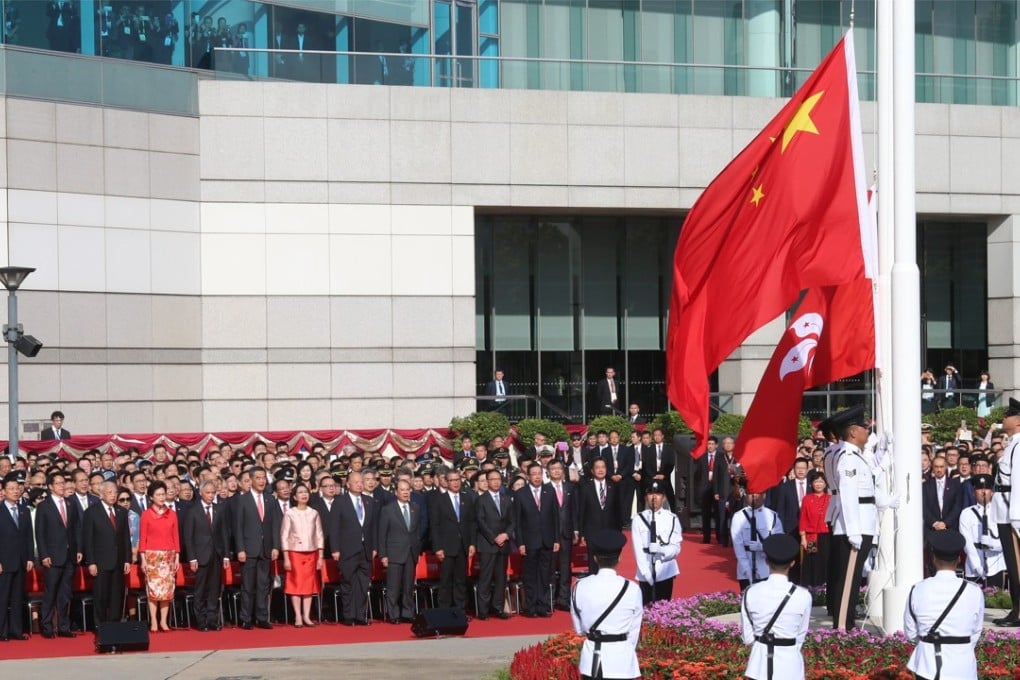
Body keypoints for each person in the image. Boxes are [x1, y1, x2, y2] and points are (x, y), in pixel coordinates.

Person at [904, 530, 984, 680]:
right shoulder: (974, 591)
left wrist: (928, 642)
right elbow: (976, 631)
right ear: (959, 558)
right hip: (963, 666)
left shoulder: (918, 589)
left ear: (933, 558)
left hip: (926, 665)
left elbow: (911, 632)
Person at [827, 405, 877, 630]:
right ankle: (842, 628)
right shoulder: (848, 458)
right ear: (853, 432)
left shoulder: (856, 456)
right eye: (864, 427)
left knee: (853, 578)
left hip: (863, 522)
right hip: (853, 526)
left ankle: (847, 624)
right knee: (847, 580)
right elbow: (848, 496)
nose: (867, 430)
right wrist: (853, 530)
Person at [570, 529, 642, 680]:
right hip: (621, 660)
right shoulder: (632, 589)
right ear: (620, 558)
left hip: (592, 662)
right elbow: (634, 630)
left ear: (595, 558)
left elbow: (579, 628)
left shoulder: (579, 586)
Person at [740, 534, 812, 680]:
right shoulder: (804, 595)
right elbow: (800, 636)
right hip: (790, 666)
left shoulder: (751, 592)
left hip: (758, 667)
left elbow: (748, 638)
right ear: (792, 563)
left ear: (766, 561)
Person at [233, 467, 281, 630]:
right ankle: (246, 618)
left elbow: (275, 525)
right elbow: (237, 527)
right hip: (248, 549)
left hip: (266, 549)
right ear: (251, 480)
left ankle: (262, 617)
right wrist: (240, 548)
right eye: (258, 478)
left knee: (263, 585)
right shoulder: (242, 500)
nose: (262, 481)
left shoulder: (270, 499)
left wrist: (276, 546)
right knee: (248, 586)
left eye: (263, 478)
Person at [34, 471, 80, 638]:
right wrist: (44, 554)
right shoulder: (44, 506)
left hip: (70, 555)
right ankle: (46, 626)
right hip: (52, 556)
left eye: (63, 483)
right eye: (59, 483)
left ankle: (63, 626)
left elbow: (76, 529)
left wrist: (79, 549)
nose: (62, 486)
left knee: (65, 593)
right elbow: (40, 533)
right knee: (50, 592)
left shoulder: (71, 504)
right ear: (50, 486)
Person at [82, 481, 132, 626]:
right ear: (101, 494)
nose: (113, 495)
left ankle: (115, 624)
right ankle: (101, 625)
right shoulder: (91, 512)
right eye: (109, 492)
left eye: (115, 492)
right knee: (101, 596)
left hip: (119, 561)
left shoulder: (122, 512)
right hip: (100, 561)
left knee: (117, 595)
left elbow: (125, 538)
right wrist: (91, 562)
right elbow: (88, 539)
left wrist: (127, 559)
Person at [514, 462, 560, 617]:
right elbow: (517, 522)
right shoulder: (521, 493)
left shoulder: (549, 490)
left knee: (545, 574)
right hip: (529, 542)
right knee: (530, 575)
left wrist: (556, 539)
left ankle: (543, 605)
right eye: (534, 474)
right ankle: (531, 606)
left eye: (539, 473)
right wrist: (520, 543)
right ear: (528, 476)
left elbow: (556, 517)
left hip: (547, 540)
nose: (537, 477)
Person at [183, 480, 230, 632]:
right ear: (201, 493)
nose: (211, 495)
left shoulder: (219, 509)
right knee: (200, 590)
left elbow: (224, 533)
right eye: (208, 493)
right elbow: (188, 537)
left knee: (214, 590)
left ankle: (212, 620)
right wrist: (192, 557)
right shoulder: (193, 510)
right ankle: (201, 621)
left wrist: (226, 555)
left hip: (216, 555)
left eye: (213, 493)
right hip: (200, 556)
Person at [332, 470, 375, 625]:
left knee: (363, 584)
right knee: (348, 583)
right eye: (356, 482)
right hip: (347, 550)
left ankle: (360, 615)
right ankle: (349, 615)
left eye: (361, 482)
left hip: (365, 549)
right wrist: (335, 549)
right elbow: (334, 527)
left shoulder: (369, 501)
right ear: (348, 484)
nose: (359, 484)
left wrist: (374, 547)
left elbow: (373, 527)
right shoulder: (340, 502)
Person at [429, 468, 476, 610]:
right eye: (452, 480)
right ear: (446, 482)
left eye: (457, 480)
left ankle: (460, 610)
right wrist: (437, 547)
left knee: (461, 580)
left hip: (463, 546)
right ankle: (444, 611)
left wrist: (472, 543)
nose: (455, 483)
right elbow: (434, 525)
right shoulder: (439, 500)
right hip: (446, 547)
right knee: (446, 581)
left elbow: (472, 522)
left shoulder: (467, 498)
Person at [139, 480, 180, 632]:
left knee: (167, 591)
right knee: (153, 590)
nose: (162, 497)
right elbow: (142, 538)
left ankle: (164, 621)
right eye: (158, 494)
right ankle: (154, 621)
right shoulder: (146, 515)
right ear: (151, 497)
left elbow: (176, 537)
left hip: (168, 556)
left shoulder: (172, 514)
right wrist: (143, 559)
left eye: (163, 494)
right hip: (152, 557)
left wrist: (177, 557)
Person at [377, 478, 420, 624]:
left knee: (408, 586)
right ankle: (393, 614)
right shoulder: (388, 509)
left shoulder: (415, 507)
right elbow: (382, 534)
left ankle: (408, 613)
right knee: (393, 587)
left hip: (411, 552)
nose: (405, 492)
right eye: (402, 490)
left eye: (407, 489)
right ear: (396, 492)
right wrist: (383, 555)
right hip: (394, 553)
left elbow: (416, 531)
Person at [631, 481, 681, 605]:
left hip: (666, 570)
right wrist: (646, 573)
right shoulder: (638, 519)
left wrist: (662, 550)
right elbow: (637, 549)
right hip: (645, 570)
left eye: (658, 494)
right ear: (645, 497)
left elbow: (676, 547)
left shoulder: (672, 518)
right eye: (650, 494)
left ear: (663, 498)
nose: (654, 497)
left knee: (664, 610)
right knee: (647, 610)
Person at [281, 482, 323, 627]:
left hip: (311, 553)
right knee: (296, 584)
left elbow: (319, 535)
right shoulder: (290, 513)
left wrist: (321, 556)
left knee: (309, 586)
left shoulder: (314, 513)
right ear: (294, 496)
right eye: (300, 492)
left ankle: (307, 615)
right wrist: (286, 557)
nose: (304, 494)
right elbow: (284, 536)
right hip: (295, 553)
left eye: (305, 492)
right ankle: (297, 616)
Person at [993, 397, 1020, 627]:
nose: (1004, 418)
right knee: (1012, 565)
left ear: (1018, 421)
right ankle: (1016, 609)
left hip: (1011, 514)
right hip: (1004, 511)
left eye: (1008, 415)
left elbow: (1018, 484)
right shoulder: (1013, 443)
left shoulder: (1019, 446)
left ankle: (1019, 612)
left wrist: (1015, 517)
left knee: (1015, 565)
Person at [475, 469, 513, 619]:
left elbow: (512, 521)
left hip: (503, 544)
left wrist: (506, 535)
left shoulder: (506, 498)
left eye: (498, 479)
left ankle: (497, 608)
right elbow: (481, 521)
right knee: (485, 578)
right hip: (487, 544)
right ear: (487, 481)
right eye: (492, 479)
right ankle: (483, 611)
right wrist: (494, 537)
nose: (496, 482)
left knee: (501, 578)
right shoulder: (481, 500)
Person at [0, 472, 33, 640]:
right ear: (3, 491)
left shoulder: (24, 510)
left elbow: (28, 536)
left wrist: (29, 558)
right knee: (2, 597)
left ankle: (16, 630)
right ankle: (2, 631)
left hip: (20, 561)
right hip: (4, 562)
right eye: (10, 489)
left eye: (17, 488)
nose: (15, 491)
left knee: (17, 597)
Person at [959, 474, 1005, 589]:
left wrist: (992, 544)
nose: (983, 492)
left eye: (987, 489)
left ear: (992, 492)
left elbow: (1006, 541)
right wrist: (977, 566)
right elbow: (967, 543)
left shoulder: (1000, 512)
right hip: (974, 567)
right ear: (974, 492)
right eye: (979, 489)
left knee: (996, 603)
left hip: (996, 566)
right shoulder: (967, 513)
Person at [731, 491, 783, 590]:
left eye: (758, 493)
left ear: (764, 495)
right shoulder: (739, 516)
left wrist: (764, 547)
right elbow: (738, 545)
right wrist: (747, 569)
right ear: (746, 496)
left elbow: (779, 541)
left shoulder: (772, 516)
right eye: (751, 493)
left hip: (768, 567)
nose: (754, 496)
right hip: (746, 566)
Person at [577, 458, 618, 573]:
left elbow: (617, 510)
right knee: (594, 563)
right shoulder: (585, 487)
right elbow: (581, 511)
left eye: (603, 467)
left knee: (609, 563)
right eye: (597, 467)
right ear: (592, 470)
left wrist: (618, 531)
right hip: (592, 532)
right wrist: (582, 533)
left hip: (610, 531)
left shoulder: (613, 486)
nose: (600, 470)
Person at [797, 471, 831, 587]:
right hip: (811, 536)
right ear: (811, 484)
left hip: (827, 536)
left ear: (825, 484)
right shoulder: (806, 499)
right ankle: (813, 588)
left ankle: (826, 587)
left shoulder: (830, 498)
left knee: (826, 561)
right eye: (816, 481)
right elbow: (803, 519)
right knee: (812, 562)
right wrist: (803, 537)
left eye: (821, 481)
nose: (818, 484)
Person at [643, 428, 676, 511]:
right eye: (655, 435)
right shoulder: (648, 449)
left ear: (662, 436)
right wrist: (653, 476)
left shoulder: (669, 449)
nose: (657, 437)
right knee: (650, 495)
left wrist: (664, 475)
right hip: (652, 478)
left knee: (671, 496)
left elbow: (671, 463)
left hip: (664, 477)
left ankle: (674, 515)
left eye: (659, 435)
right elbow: (646, 465)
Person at [698, 436, 719, 543]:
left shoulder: (720, 457)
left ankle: (720, 537)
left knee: (718, 513)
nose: (710, 446)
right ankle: (706, 537)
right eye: (708, 444)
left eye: (712, 444)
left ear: (716, 445)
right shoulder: (702, 457)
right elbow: (697, 474)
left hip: (717, 489)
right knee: (705, 513)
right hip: (705, 488)